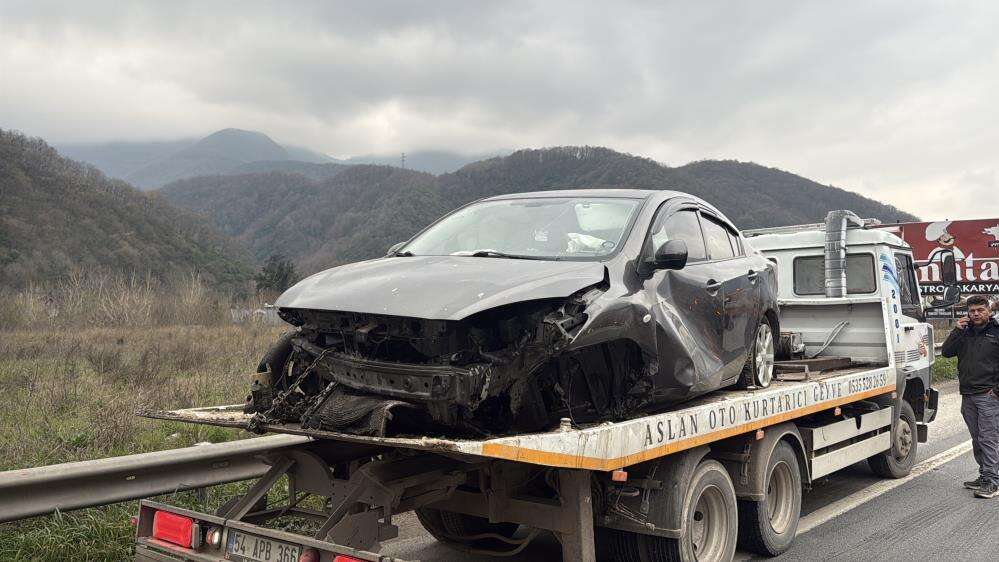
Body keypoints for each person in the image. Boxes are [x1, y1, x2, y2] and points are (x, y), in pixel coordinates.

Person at [941, 295, 999, 498]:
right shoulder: (963, 332)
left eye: (980, 310)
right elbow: (946, 352)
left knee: (988, 438)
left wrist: (996, 391)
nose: (976, 314)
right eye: (972, 311)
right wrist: (956, 330)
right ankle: (984, 475)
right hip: (968, 395)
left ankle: (992, 481)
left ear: (988, 311)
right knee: (977, 439)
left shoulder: (996, 332)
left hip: (988, 395)